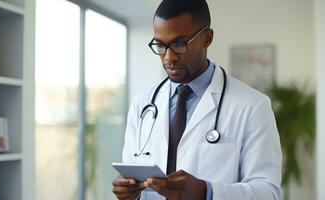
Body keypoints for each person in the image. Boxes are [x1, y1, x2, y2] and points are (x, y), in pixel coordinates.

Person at [112, 0, 282, 199]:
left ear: (207, 38)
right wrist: (130, 192)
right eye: (160, 45)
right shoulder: (142, 103)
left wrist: (206, 191)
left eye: (178, 44)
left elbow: (268, 192)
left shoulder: (252, 106)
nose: (168, 57)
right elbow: (133, 178)